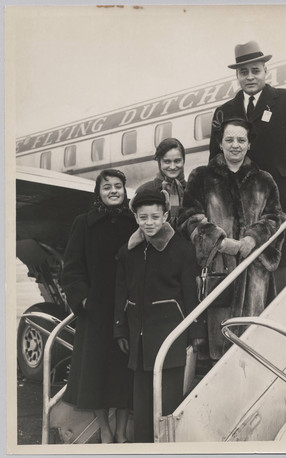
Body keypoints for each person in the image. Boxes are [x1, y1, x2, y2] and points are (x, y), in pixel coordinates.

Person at [209, 41, 286, 292]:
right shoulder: (224, 111)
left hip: (281, 196)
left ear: (265, 71)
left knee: (280, 263)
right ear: (237, 76)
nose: (250, 77)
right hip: (239, 200)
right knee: (243, 261)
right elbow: (215, 160)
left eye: (255, 70)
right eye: (243, 72)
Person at [178, 118, 286, 360]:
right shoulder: (201, 176)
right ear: (220, 143)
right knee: (218, 346)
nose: (235, 145)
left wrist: (252, 240)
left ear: (249, 145)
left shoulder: (264, 180)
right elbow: (188, 218)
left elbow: (275, 217)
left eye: (241, 140)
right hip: (218, 270)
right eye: (229, 139)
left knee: (254, 347)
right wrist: (218, 242)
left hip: (254, 275)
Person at [114, 188, 204, 443]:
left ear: (166, 215)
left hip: (170, 338)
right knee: (142, 406)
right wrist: (119, 328)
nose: (149, 223)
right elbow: (121, 293)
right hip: (139, 340)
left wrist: (195, 331)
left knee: (168, 403)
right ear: (136, 218)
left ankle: (167, 446)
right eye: (143, 218)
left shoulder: (182, 250)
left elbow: (191, 294)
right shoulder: (128, 252)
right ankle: (144, 446)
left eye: (155, 216)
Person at [61, 169, 137, 443]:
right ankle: (105, 428)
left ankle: (120, 430)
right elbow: (71, 269)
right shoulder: (84, 223)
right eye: (107, 187)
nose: (113, 191)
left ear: (125, 191)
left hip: (128, 310)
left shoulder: (134, 223)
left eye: (118, 186)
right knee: (96, 376)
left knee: (126, 375)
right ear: (99, 192)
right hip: (95, 313)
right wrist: (83, 299)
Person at [133, 138, 187, 227]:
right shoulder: (144, 191)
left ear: (183, 161)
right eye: (167, 161)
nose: (173, 167)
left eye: (177, 161)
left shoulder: (193, 190)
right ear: (159, 162)